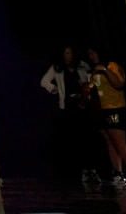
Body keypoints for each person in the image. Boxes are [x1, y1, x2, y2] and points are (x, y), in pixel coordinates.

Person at [85, 47, 126, 185]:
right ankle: (118, 172)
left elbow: (118, 83)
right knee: (110, 141)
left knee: (119, 141)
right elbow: (93, 87)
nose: (91, 57)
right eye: (89, 54)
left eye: (93, 53)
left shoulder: (112, 66)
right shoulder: (93, 70)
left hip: (115, 108)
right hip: (101, 110)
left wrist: (104, 70)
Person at [40, 45, 90, 179]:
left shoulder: (81, 66)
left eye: (71, 52)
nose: (69, 55)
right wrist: (54, 89)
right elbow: (44, 81)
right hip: (68, 105)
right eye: (67, 53)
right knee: (72, 137)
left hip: (83, 102)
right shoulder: (57, 68)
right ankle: (77, 170)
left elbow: (89, 79)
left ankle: (89, 169)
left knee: (85, 137)